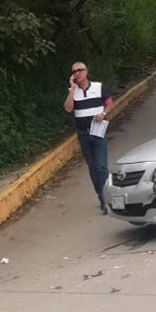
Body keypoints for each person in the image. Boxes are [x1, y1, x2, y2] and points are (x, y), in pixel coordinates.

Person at [63, 62, 113, 213]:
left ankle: (107, 199)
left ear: (86, 71)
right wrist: (72, 88)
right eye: (74, 71)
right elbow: (68, 108)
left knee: (101, 168)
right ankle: (101, 197)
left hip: (98, 132)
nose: (78, 73)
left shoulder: (98, 87)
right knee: (92, 168)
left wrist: (103, 114)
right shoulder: (73, 91)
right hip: (83, 134)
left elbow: (110, 104)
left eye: (80, 70)